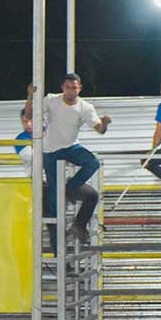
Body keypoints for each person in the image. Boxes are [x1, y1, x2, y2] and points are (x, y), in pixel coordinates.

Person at [17, 85, 99, 245]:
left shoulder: (53, 132)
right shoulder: (21, 139)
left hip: (64, 180)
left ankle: (79, 226)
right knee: (54, 221)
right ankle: (63, 263)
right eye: (25, 121)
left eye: (31, 120)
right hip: (44, 185)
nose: (28, 124)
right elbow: (31, 156)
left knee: (91, 195)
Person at [40, 73, 111, 244]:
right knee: (53, 201)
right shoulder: (51, 100)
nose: (71, 91)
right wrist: (30, 96)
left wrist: (105, 124)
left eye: (74, 88)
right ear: (62, 88)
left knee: (92, 162)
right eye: (67, 87)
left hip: (71, 146)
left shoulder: (85, 107)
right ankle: (58, 241)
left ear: (80, 88)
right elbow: (31, 113)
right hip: (51, 149)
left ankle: (69, 190)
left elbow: (99, 129)